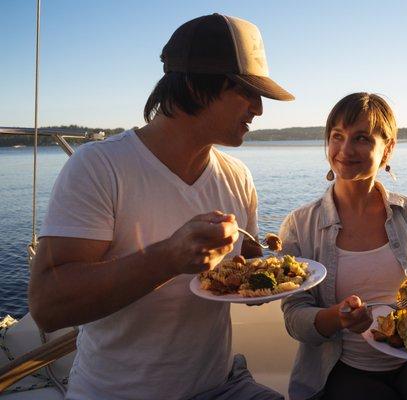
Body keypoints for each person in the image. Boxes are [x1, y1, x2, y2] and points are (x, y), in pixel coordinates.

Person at [28, 14, 293, 400]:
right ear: (192, 84)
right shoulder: (99, 167)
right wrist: (169, 257)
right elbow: (47, 305)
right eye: (245, 91)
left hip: (220, 385)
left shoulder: (238, 177)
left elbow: (241, 276)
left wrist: (264, 270)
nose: (259, 109)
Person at [279, 93, 407, 400]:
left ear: (388, 148)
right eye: (337, 137)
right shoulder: (300, 225)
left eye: (361, 138)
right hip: (342, 364)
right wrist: (338, 317)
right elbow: (295, 319)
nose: (345, 149)